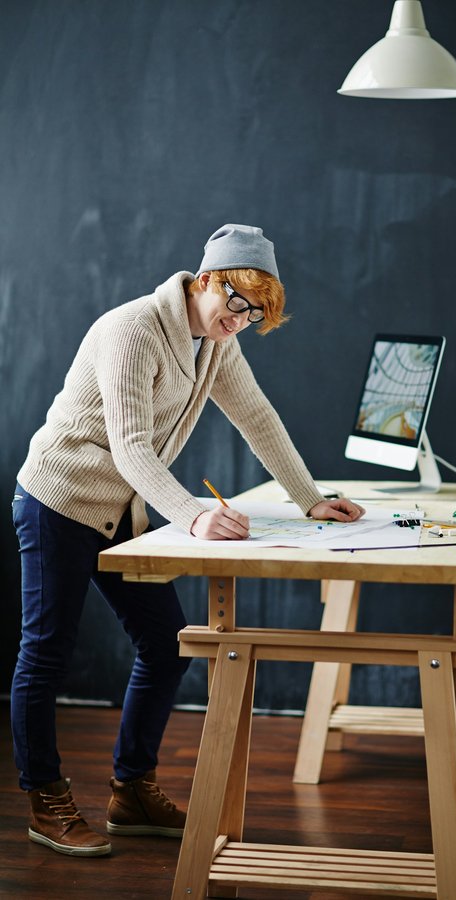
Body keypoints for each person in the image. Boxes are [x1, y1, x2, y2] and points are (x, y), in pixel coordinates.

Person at [11, 223, 364, 857]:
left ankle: (132, 790)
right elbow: (130, 445)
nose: (242, 321)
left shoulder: (215, 343)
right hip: (58, 501)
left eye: (254, 314)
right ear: (205, 279)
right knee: (45, 655)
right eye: (237, 303)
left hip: (123, 510)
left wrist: (310, 498)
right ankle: (45, 800)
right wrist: (191, 515)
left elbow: (257, 416)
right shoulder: (133, 329)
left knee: (165, 645)